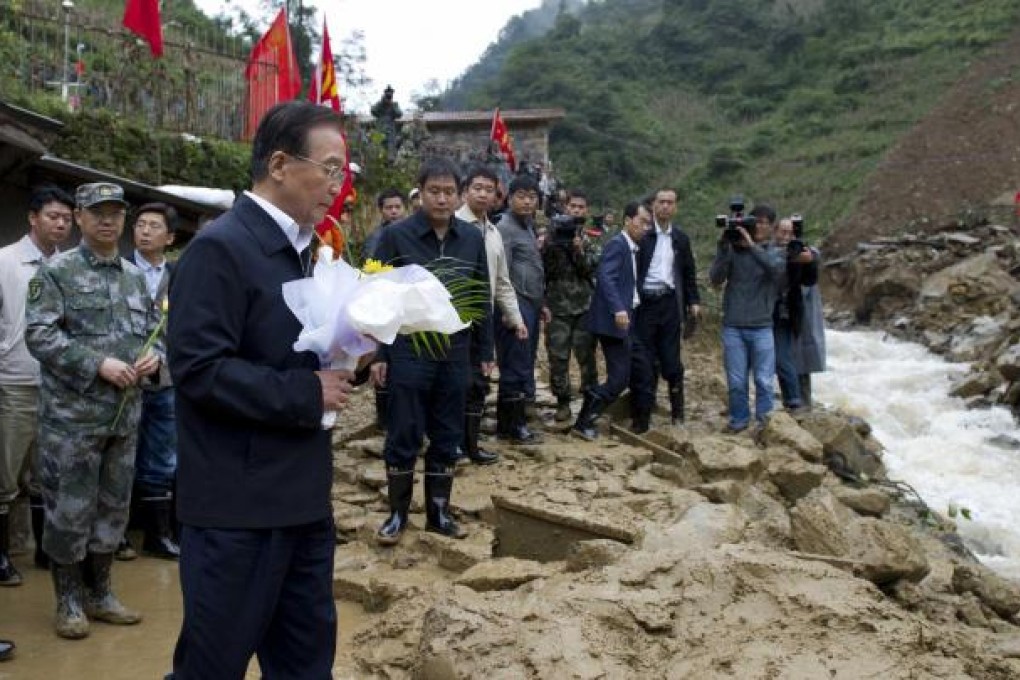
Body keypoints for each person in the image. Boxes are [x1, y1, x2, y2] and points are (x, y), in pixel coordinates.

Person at [167, 101, 353, 678]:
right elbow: (199, 370)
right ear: (279, 164)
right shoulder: (221, 248)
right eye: (328, 169)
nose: (336, 185)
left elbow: (294, 353)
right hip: (236, 509)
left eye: (343, 172)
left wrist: (354, 356)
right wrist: (307, 395)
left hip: (301, 499)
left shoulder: (306, 252)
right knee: (213, 665)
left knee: (304, 662)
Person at [26, 181, 161, 639]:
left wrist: (155, 357)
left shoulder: (135, 277)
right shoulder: (56, 273)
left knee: (112, 509)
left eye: (115, 213)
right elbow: (40, 335)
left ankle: (100, 593)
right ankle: (67, 601)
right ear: (79, 218)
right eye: (96, 212)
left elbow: (153, 333)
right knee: (70, 510)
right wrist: (96, 364)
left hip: (123, 417)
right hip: (72, 421)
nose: (108, 220)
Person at [370, 157, 492, 545]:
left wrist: (484, 352)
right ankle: (397, 513)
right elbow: (374, 293)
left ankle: (439, 511)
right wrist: (378, 354)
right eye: (433, 192)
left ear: (459, 197)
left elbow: (479, 297)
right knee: (404, 429)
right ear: (419, 194)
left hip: (455, 350)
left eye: (449, 192)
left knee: (447, 431)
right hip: (409, 346)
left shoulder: (472, 239)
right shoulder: (395, 236)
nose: (441, 199)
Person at [0, 185, 74, 584]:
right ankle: (3, 554)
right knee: (6, 474)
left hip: (59, 387)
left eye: (66, 218)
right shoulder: (5, 262)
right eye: (52, 216)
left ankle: (43, 550)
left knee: (48, 474)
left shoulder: (70, 267)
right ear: (32, 218)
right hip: (15, 381)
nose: (61, 224)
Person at [456, 165, 527, 465]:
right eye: (477, 188)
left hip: (483, 319)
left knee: (479, 381)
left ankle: (471, 445)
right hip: (452, 317)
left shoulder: (494, 233)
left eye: (489, 189)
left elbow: (502, 283)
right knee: (452, 382)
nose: (483, 194)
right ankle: (450, 445)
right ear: (465, 191)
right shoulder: (452, 225)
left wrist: (516, 318)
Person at [572, 202, 654, 440]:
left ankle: (635, 418)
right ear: (627, 221)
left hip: (630, 320)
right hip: (614, 323)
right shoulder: (617, 245)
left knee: (637, 371)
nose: (645, 227)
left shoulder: (633, 248)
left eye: (648, 223)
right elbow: (605, 278)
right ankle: (584, 420)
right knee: (618, 379)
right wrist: (618, 309)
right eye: (641, 221)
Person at [128, 203, 179, 560]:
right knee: (118, 454)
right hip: (121, 379)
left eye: (154, 226)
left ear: (170, 237)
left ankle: (157, 535)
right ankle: (114, 535)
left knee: (162, 454)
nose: (145, 231)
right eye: (140, 224)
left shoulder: (178, 276)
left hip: (163, 378)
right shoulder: (117, 270)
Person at [709, 204, 786, 433]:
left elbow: (776, 270)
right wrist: (723, 248)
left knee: (763, 381)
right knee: (736, 382)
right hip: (734, 325)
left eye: (763, 223)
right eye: (756, 222)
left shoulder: (774, 251)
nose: (759, 226)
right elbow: (715, 278)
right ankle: (739, 421)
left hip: (762, 326)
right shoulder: (733, 250)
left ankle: (765, 424)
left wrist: (752, 246)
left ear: (771, 227)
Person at [634, 188, 701, 430]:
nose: (665, 207)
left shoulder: (680, 239)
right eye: (661, 202)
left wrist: (693, 301)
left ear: (676, 207)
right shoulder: (643, 235)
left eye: (670, 203)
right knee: (645, 361)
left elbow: (688, 273)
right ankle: (642, 416)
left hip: (670, 304)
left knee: (672, 362)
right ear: (653, 205)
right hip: (645, 304)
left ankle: (678, 414)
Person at [543, 190, 601, 422]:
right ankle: (563, 401)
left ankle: (590, 399)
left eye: (581, 207)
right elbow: (545, 271)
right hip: (557, 307)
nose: (576, 210)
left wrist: (578, 250)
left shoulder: (591, 238)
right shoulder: (550, 236)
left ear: (586, 211)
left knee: (586, 356)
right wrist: (549, 247)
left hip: (584, 306)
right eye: (573, 206)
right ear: (566, 208)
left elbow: (591, 269)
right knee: (558, 357)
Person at [495, 175, 546, 443]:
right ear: (509, 198)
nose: (527, 201)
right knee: (514, 364)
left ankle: (513, 421)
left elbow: (532, 268)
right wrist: (507, 311)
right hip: (515, 305)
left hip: (531, 303)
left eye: (532, 197)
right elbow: (502, 274)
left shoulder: (527, 227)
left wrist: (542, 304)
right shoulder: (504, 228)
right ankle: (511, 426)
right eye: (522, 196)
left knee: (524, 362)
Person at [362, 188, 408, 430]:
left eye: (397, 207)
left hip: (406, 310)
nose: (393, 211)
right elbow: (371, 275)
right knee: (382, 362)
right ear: (381, 211)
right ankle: (383, 420)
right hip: (383, 307)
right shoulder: (376, 239)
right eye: (388, 208)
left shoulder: (411, 234)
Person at [772, 216, 825, 409]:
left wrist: (808, 255)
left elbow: (814, 255)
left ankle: (802, 404)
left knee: (801, 361)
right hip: (778, 314)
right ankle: (791, 401)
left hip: (801, 316)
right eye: (783, 232)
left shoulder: (803, 251)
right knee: (783, 360)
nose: (786, 236)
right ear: (775, 232)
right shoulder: (772, 252)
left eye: (790, 233)